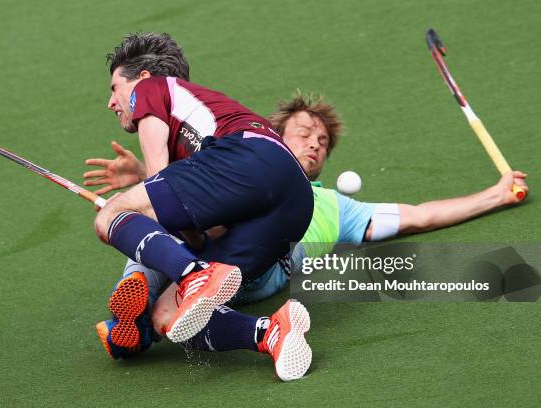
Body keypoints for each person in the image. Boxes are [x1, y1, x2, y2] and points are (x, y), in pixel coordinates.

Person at [87, 92, 529, 377]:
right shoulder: (238, 160)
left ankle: (139, 309)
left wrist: (494, 196)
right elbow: (189, 193)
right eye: (304, 133)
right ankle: (156, 313)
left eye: (322, 141)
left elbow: (418, 216)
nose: (316, 143)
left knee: (162, 239)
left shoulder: (337, 205)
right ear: (272, 136)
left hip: (258, 268)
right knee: (171, 295)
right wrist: (143, 175)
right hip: (208, 247)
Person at [89, 32, 314, 381]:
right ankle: (271, 332)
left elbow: (157, 181)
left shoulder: (153, 88)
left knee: (110, 215)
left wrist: (133, 201)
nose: (111, 102)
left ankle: (192, 276)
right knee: (169, 317)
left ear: (142, 79)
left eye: (115, 88)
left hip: (252, 158)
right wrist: (193, 254)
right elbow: (198, 234)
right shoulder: (196, 155)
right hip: (293, 204)